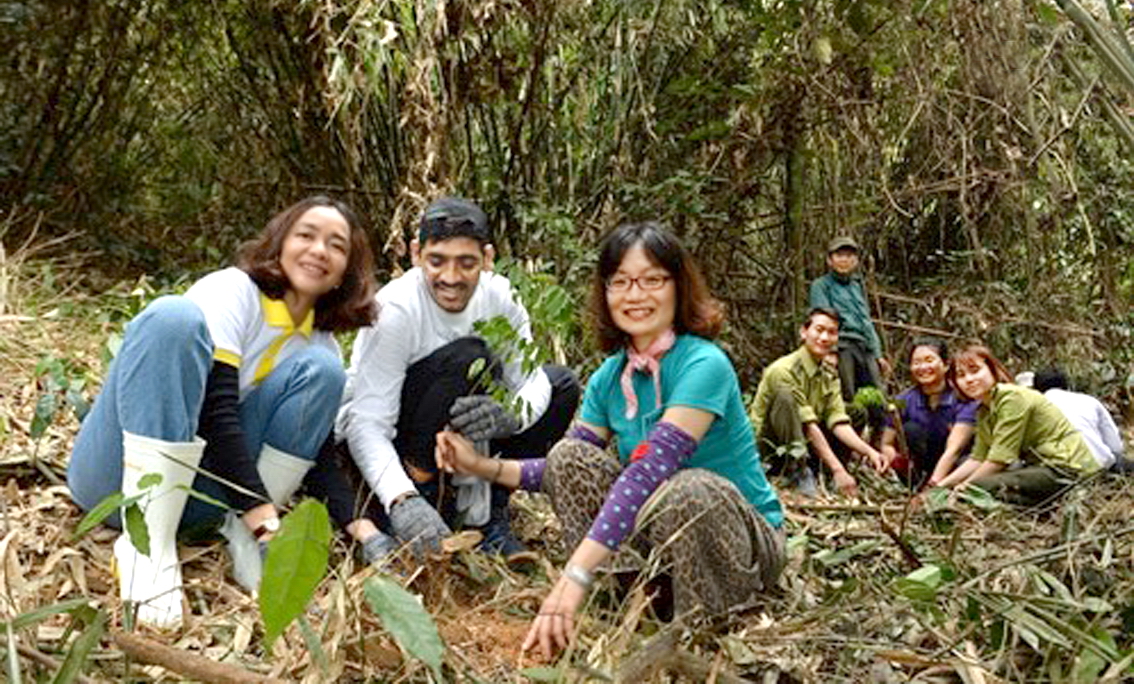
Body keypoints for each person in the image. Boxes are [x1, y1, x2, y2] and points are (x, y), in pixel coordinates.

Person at [434, 221, 784, 659]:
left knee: (688, 488)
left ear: (679, 287)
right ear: (605, 293)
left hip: (742, 541)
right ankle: (630, 593)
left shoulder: (704, 363)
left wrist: (573, 576)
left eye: (652, 279)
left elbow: (649, 471)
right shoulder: (609, 377)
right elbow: (562, 471)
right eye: (620, 282)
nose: (635, 295)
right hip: (662, 538)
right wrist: (479, 466)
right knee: (570, 454)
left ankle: (706, 626)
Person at [67, 196, 384, 628]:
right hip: (114, 480)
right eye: (306, 235)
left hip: (202, 503)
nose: (319, 251)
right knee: (172, 317)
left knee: (326, 372)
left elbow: (318, 452)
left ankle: (241, 534)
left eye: (336, 245)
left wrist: (362, 527)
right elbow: (217, 413)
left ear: (348, 270)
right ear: (279, 242)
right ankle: (148, 543)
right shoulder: (233, 291)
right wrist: (267, 521)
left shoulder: (320, 347)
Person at [336, 196, 580, 557]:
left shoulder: (500, 296)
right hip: (404, 437)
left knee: (560, 387)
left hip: (468, 435)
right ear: (417, 254)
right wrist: (400, 498)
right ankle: (421, 500)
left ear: (487, 258)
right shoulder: (396, 309)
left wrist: (512, 415)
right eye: (437, 261)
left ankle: (490, 515)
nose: (450, 278)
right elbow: (367, 423)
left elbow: (532, 382)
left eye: (466, 263)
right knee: (469, 357)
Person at [749, 308, 888, 498]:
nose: (824, 337)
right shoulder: (783, 370)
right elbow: (808, 425)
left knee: (855, 412)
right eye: (819, 330)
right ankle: (798, 470)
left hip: (808, 440)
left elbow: (838, 421)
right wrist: (837, 468)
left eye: (832, 332)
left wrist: (869, 451)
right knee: (785, 396)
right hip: (775, 447)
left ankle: (828, 472)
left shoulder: (828, 373)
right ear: (804, 332)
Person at [934, 346, 1100, 503]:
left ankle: (1063, 499)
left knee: (980, 488)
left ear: (992, 370)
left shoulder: (1012, 398)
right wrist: (938, 488)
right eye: (961, 375)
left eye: (975, 370)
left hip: (1067, 469)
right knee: (973, 481)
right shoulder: (984, 410)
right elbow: (977, 459)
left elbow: (999, 460)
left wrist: (962, 488)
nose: (969, 380)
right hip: (1039, 468)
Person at [880, 338, 978, 487]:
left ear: (945, 365)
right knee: (911, 430)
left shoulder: (964, 398)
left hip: (954, 467)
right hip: (917, 469)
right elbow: (886, 443)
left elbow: (954, 450)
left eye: (929, 360)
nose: (923, 367)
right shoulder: (901, 401)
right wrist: (897, 461)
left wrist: (933, 486)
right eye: (917, 362)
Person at [808, 236, 890, 401]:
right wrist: (829, 351)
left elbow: (866, 320)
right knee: (848, 395)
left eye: (849, 256)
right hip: (842, 345)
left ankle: (879, 426)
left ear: (856, 261)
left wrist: (878, 353)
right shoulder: (821, 285)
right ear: (829, 260)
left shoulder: (857, 286)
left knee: (877, 395)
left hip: (864, 346)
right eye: (839, 255)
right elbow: (822, 319)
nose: (844, 260)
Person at [1033, 367, 1126, 471]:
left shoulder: (1035, 406)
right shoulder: (1090, 401)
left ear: (1036, 389)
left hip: (1061, 468)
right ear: (1067, 386)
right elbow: (1115, 446)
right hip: (1101, 464)